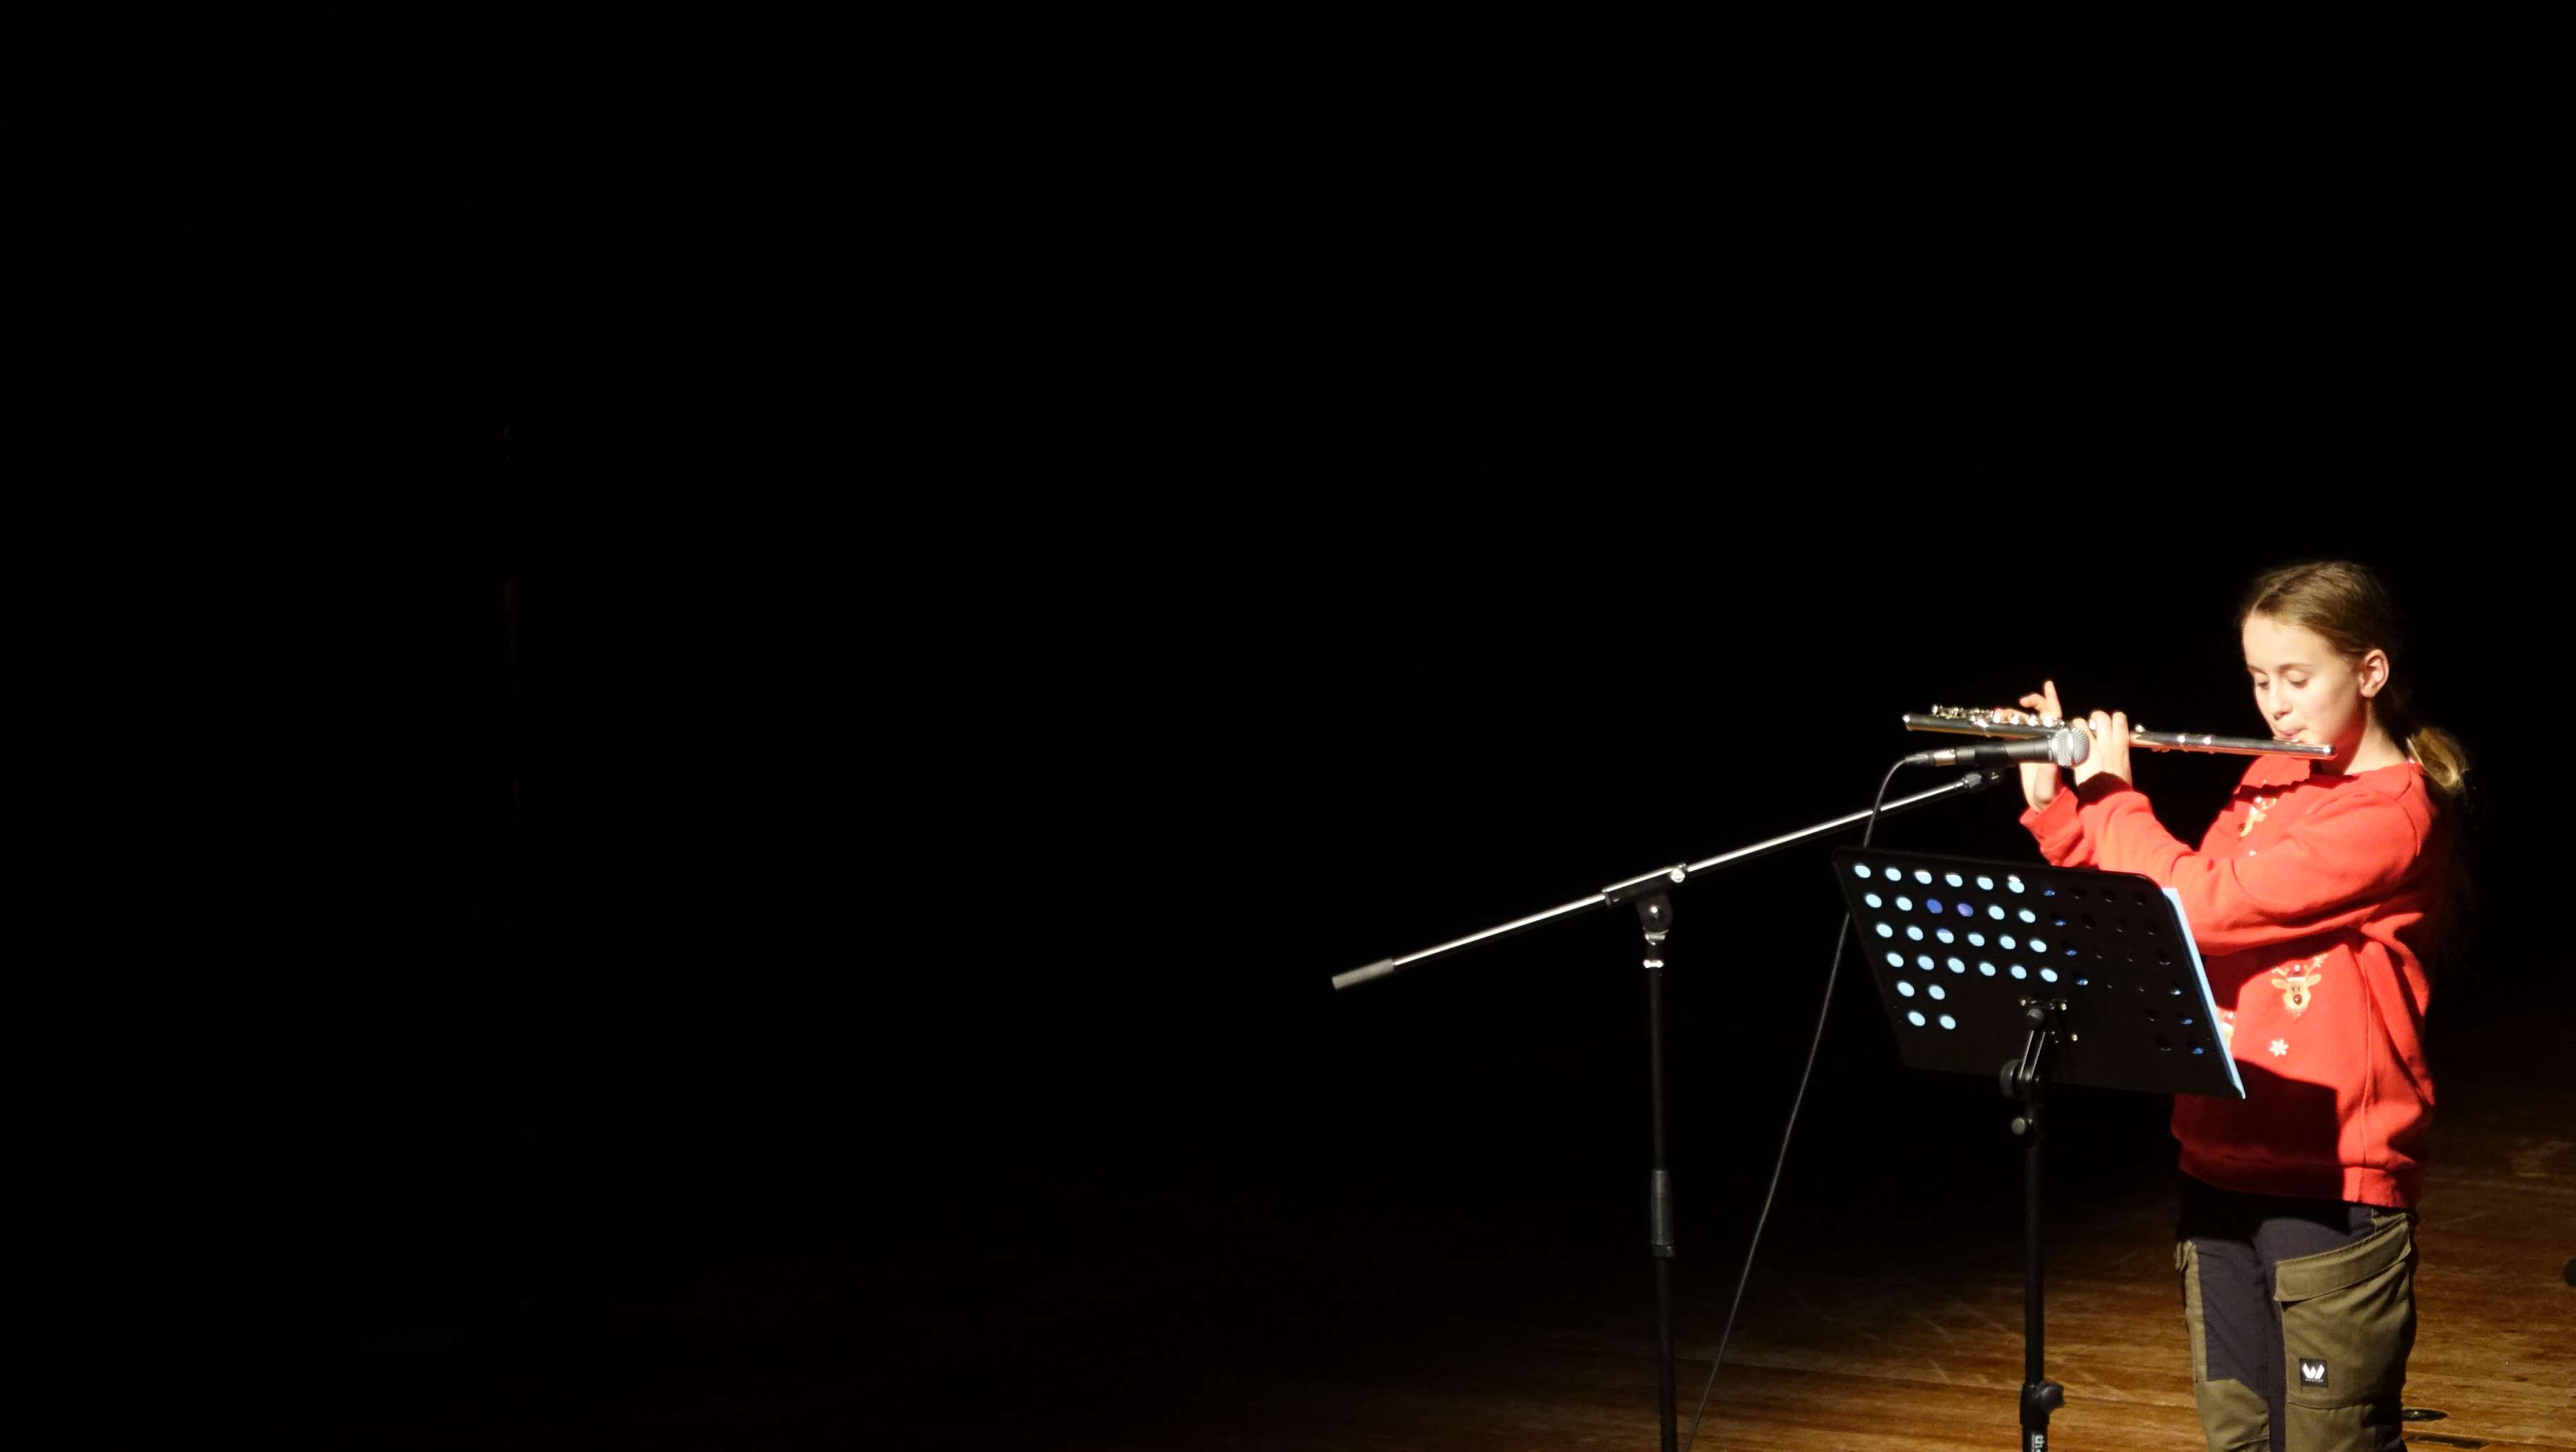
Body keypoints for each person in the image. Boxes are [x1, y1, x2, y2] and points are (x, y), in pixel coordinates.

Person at [2015, 559, 2466, 1452]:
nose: (2276, 706)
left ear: (2370, 672)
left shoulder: (2392, 812)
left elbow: (2204, 905)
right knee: (2238, 1434)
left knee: (2332, 1442)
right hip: (2217, 1155)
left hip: (2328, 1176)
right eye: (2261, 680)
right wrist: (2061, 814)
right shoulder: (2273, 770)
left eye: (2297, 679)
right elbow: (2161, 916)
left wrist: (2111, 794)